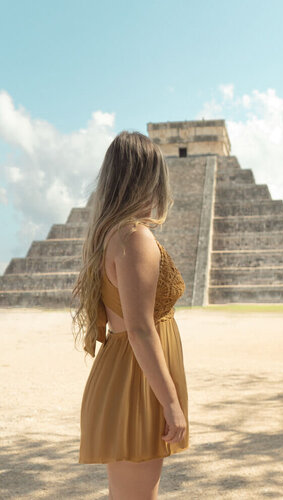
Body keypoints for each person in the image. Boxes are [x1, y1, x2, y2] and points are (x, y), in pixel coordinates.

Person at [71, 131, 189, 499]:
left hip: (130, 376)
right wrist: (171, 403)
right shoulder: (134, 237)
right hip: (137, 383)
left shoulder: (110, 234)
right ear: (149, 178)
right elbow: (139, 329)